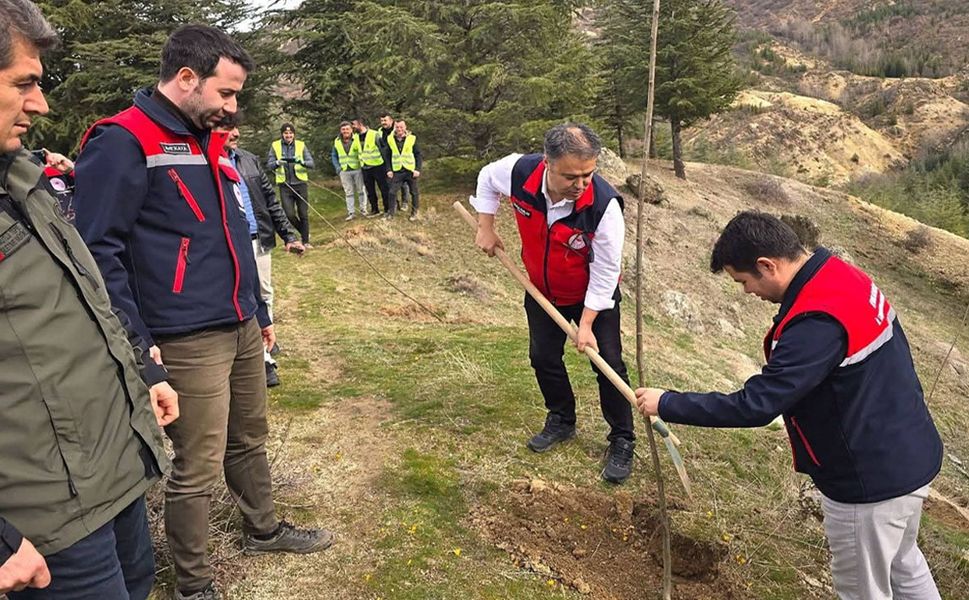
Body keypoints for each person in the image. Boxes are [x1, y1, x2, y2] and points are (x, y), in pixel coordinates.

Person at [74, 25, 333, 600]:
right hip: (185, 335)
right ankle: (194, 585)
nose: (232, 106)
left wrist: (257, 308)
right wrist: (139, 345)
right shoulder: (123, 140)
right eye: (227, 92)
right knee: (198, 462)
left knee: (250, 435)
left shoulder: (206, 137)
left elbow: (230, 232)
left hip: (239, 321)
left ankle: (262, 529)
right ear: (187, 79)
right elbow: (98, 252)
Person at [634, 211, 944, 600]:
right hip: (907, 456)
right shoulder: (839, 275)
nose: (747, 292)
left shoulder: (817, 320)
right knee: (903, 564)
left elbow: (756, 405)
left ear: (767, 265)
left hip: (868, 482)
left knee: (864, 589)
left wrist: (669, 403)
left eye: (744, 281)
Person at [0, 2, 175, 598]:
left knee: (140, 583)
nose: (40, 103)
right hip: (44, 523)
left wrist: (142, 373)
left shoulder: (22, 183)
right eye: (23, 83)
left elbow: (85, 301)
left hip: (112, 474)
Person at [472, 123, 636, 484]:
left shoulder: (605, 206)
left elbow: (608, 271)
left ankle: (622, 439)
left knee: (608, 364)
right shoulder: (519, 172)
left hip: (593, 294)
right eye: (571, 176)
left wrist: (588, 324)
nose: (581, 185)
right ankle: (561, 419)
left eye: (588, 174)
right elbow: (486, 178)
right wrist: (486, 225)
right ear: (547, 162)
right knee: (543, 357)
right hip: (541, 290)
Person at [222, 114, 305, 388]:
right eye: (227, 128)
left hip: (259, 240)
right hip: (230, 245)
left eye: (236, 127)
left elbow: (269, 200)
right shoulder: (209, 162)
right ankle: (262, 362)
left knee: (265, 294)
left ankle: (265, 347)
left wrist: (288, 235)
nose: (234, 133)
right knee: (244, 297)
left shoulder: (248, 159)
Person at [266, 122, 314, 247]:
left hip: (300, 184)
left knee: (303, 214)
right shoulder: (275, 146)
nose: (288, 135)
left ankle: (306, 241)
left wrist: (302, 162)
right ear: (282, 134)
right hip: (285, 185)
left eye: (291, 133)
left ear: (294, 134)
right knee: (289, 215)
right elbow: (269, 165)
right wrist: (277, 162)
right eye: (286, 133)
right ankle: (304, 233)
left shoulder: (301, 145)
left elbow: (311, 163)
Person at [351, 117, 390, 217]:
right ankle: (374, 209)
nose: (352, 126)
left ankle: (388, 208)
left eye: (354, 124)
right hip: (365, 167)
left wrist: (387, 166)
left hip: (378, 165)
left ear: (360, 123)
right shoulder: (355, 137)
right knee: (370, 190)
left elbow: (383, 149)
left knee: (384, 188)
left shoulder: (374, 134)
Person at [385, 119, 422, 221]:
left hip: (410, 170)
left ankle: (414, 212)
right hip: (397, 170)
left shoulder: (412, 138)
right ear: (394, 128)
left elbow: (418, 155)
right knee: (392, 192)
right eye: (397, 127)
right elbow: (387, 155)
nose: (399, 129)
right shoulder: (390, 139)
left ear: (405, 127)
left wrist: (417, 169)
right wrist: (389, 169)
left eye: (401, 127)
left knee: (414, 192)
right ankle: (391, 213)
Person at [330, 120, 366, 220]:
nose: (345, 131)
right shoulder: (337, 141)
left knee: (361, 190)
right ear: (340, 130)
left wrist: (363, 165)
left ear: (351, 130)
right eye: (343, 129)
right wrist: (338, 167)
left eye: (347, 129)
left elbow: (363, 151)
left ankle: (363, 210)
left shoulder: (357, 138)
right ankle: (351, 212)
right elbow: (334, 155)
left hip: (357, 168)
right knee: (348, 192)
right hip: (344, 170)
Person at [378, 111, 409, 209]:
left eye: (385, 120)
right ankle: (395, 204)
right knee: (391, 184)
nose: (383, 122)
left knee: (403, 183)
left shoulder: (397, 130)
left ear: (391, 120)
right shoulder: (379, 132)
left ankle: (405, 202)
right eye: (382, 120)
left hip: (400, 160)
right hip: (387, 160)